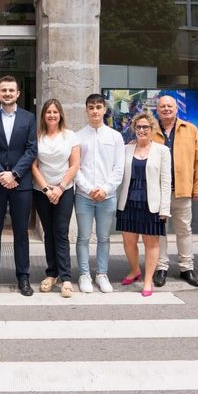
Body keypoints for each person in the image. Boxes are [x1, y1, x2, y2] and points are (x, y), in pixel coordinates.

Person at [0, 76, 38, 297]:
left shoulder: (29, 118)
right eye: (3, 90)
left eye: (11, 90)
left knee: (21, 232)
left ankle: (23, 278)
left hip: (20, 183)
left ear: (18, 93)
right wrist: (0, 174)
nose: (7, 93)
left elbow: (32, 149)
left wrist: (14, 173)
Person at [151, 95, 198, 287]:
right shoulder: (150, 131)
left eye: (169, 106)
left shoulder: (190, 130)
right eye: (162, 106)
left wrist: (197, 188)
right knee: (159, 232)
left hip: (182, 191)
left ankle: (186, 268)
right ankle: (161, 267)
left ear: (176, 109)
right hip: (157, 193)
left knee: (184, 230)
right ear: (157, 109)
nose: (166, 109)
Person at [117, 112, 172, 297]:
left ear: (152, 129)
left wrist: (165, 208)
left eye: (145, 127)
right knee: (128, 242)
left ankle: (148, 280)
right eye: (138, 127)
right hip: (129, 200)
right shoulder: (126, 149)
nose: (141, 130)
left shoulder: (162, 151)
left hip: (152, 203)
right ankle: (135, 271)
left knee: (151, 243)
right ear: (134, 128)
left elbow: (166, 181)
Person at [74, 93, 124, 293]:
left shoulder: (115, 136)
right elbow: (75, 167)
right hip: (84, 196)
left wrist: (105, 189)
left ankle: (102, 274)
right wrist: (88, 188)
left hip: (107, 196)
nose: (95, 111)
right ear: (86, 110)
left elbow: (118, 168)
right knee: (83, 237)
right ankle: (84, 274)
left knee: (104, 237)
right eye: (91, 107)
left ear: (104, 109)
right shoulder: (77, 137)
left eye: (98, 107)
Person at [32, 99, 80, 298]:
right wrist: (46, 189)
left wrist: (59, 188)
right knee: (48, 232)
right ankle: (51, 274)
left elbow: (74, 165)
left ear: (60, 114)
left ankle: (66, 278)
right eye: (48, 112)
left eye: (55, 112)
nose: (52, 115)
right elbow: (33, 166)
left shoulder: (70, 136)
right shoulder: (37, 137)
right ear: (43, 115)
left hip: (64, 190)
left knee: (60, 232)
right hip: (42, 191)